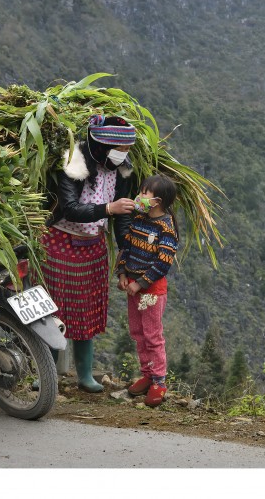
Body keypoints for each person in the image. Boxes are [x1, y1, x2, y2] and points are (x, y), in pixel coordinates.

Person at [42, 115, 137, 392]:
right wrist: (108, 209)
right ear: (100, 146)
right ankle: (46, 374)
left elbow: (122, 217)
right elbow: (70, 207)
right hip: (60, 243)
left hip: (93, 247)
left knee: (86, 312)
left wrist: (125, 256)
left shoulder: (122, 170)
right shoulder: (74, 162)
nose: (123, 155)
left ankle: (84, 375)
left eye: (127, 150)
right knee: (52, 311)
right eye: (119, 150)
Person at [116, 174, 179, 407]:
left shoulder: (166, 228)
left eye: (145, 193)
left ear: (158, 201)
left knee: (152, 335)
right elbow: (126, 248)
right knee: (138, 332)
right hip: (133, 288)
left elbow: (163, 263)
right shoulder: (138, 219)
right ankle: (147, 374)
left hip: (151, 291)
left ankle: (159, 382)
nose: (140, 196)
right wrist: (122, 274)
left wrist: (139, 283)